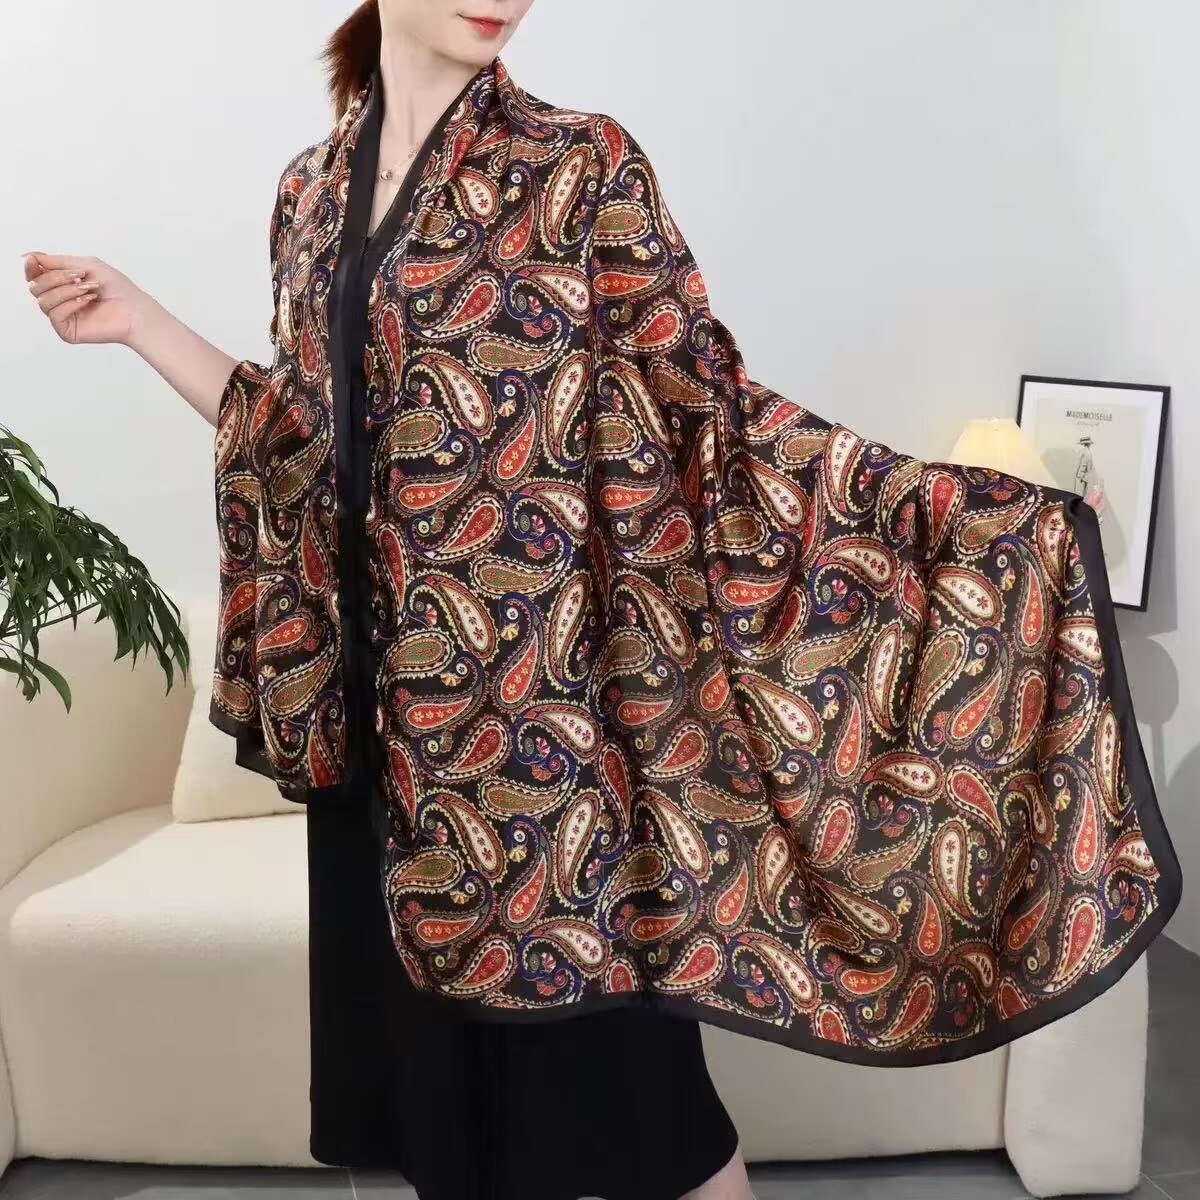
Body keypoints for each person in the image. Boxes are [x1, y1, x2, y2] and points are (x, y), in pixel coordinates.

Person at [22, 3, 1181, 1199]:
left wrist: (964, 522)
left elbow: (708, 420)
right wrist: (139, 323)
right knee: (447, 1140)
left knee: (653, 1127)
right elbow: (306, 445)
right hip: (383, 749)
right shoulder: (311, 193)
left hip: (548, 751)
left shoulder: (581, 165)